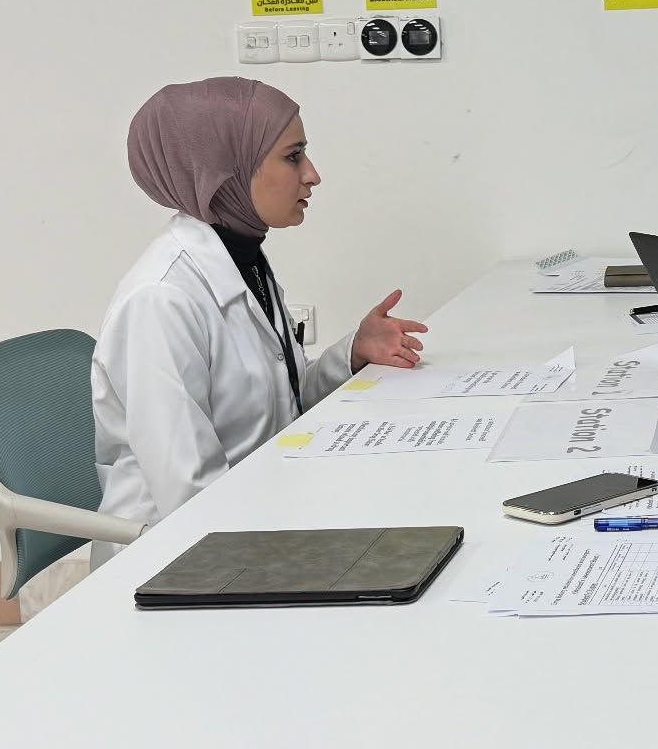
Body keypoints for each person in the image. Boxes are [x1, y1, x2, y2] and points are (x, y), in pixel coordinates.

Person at [91, 78, 427, 564]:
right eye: (293, 157)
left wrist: (352, 352)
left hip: (257, 514)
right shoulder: (160, 301)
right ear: (225, 170)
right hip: (174, 558)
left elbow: (281, 403)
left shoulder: (241, 259)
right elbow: (189, 494)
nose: (312, 175)